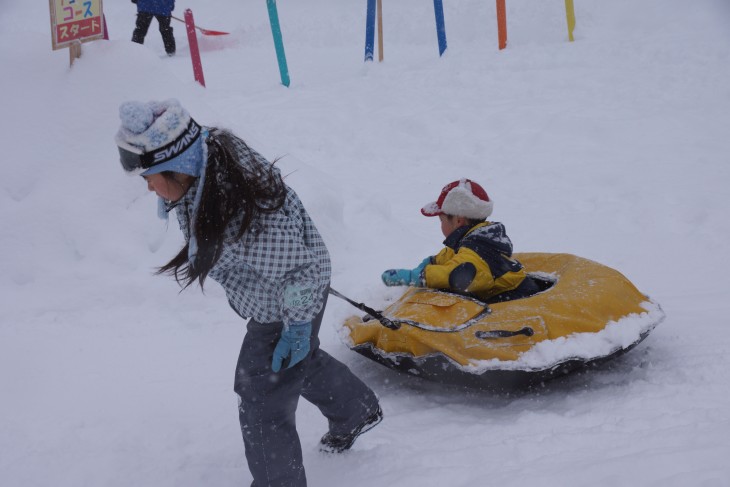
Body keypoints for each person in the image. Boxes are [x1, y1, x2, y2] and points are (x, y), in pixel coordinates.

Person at [115, 99, 382, 486]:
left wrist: (296, 326)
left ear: (180, 167)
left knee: (262, 401)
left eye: (151, 176)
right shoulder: (207, 160)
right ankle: (356, 410)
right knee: (295, 362)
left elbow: (299, 272)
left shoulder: (243, 214)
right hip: (283, 292)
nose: (149, 187)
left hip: (289, 302)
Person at [381, 179, 539, 302]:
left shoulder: (478, 251)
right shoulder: (473, 238)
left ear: (458, 221)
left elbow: (454, 274)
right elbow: (449, 255)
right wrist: (429, 263)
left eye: (442, 220)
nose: (441, 225)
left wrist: (415, 277)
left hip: (513, 298)